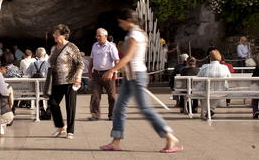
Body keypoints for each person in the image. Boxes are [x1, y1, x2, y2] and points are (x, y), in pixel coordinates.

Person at [100, 9, 182, 153]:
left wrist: (112, 70)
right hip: (131, 76)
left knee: (145, 109)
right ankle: (116, 141)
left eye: (121, 22)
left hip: (137, 76)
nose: (120, 25)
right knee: (119, 109)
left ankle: (170, 137)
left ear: (128, 21)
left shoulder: (135, 35)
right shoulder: (136, 34)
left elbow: (128, 58)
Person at [49, 24, 84, 139]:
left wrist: (78, 77)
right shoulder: (53, 48)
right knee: (53, 103)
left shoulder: (71, 47)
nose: (54, 35)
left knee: (70, 106)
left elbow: (80, 63)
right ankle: (60, 127)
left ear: (64, 35)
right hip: (57, 81)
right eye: (54, 33)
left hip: (70, 80)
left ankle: (70, 130)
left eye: (56, 33)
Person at [88, 28, 119, 121]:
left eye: (99, 35)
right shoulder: (94, 45)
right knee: (95, 95)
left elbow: (117, 60)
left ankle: (112, 115)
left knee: (112, 96)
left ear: (106, 36)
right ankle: (95, 115)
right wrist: (89, 71)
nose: (97, 37)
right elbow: (92, 59)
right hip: (96, 74)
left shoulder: (111, 46)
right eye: (97, 35)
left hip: (108, 73)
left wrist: (114, 72)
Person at [197, 50, 231, 119]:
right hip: (220, 91)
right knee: (218, 92)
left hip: (206, 91)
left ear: (210, 58)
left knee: (203, 91)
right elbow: (229, 79)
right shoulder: (225, 67)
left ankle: (205, 112)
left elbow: (198, 78)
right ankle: (211, 109)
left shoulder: (204, 67)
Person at [251, 54, 259, 119]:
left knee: (254, 99)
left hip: (256, 89)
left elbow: (253, 80)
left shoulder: (256, 69)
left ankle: (255, 111)